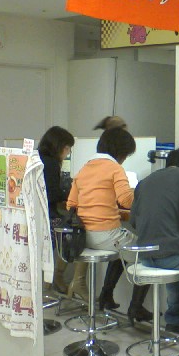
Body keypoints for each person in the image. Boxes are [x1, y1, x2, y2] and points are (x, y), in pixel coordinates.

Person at [130, 145, 179, 331]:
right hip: (171, 253)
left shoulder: (144, 181)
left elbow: (133, 221)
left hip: (145, 256)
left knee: (176, 274)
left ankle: (177, 321)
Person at [67, 127, 138, 310]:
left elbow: (71, 204)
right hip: (107, 235)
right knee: (144, 250)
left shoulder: (84, 169)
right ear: (121, 152)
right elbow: (126, 200)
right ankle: (135, 308)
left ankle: (106, 295)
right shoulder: (115, 168)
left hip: (83, 237)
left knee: (123, 247)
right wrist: (141, 193)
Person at [38, 126, 75, 293]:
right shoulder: (51, 164)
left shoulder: (36, 158)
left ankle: (50, 279)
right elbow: (52, 194)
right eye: (68, 148)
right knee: (73, 232)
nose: (68, 152)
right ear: (60, 146)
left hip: (37, 219)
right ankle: (57, 276)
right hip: (48, 220)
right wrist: (68, 193)